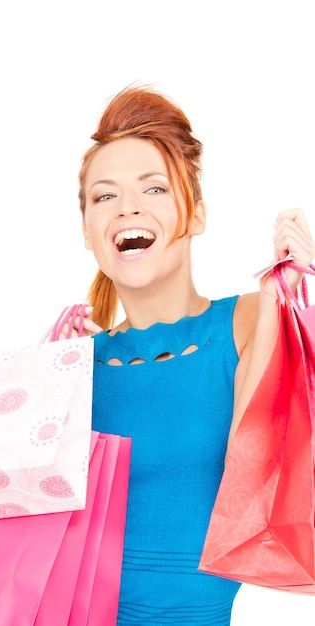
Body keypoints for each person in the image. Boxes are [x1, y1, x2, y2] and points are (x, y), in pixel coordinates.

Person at [57, 85, 315, 625]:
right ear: (87, 231)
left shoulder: (249, 319)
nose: (127, 206)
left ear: (195, 214)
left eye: (154, 188)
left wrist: (294, 288)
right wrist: (35, 394)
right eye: (104, 196)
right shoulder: (71, 361)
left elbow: (274, 454)